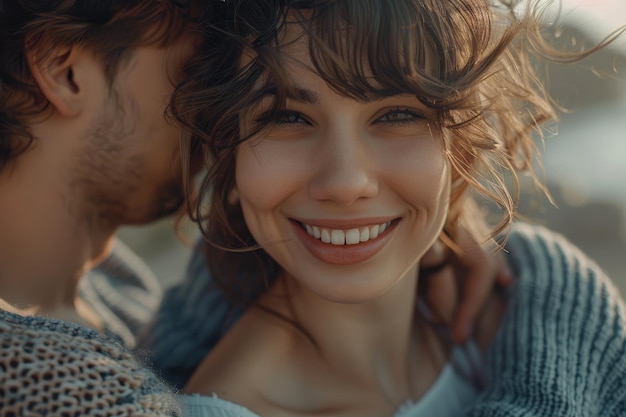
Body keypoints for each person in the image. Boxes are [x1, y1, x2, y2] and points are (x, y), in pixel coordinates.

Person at [145, 0, 626, 416]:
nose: (346, 183)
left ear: (460, 148)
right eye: (287, 117)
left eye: (398, 114)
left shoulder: (509, 325)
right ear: (226, 152)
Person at [0, 0, 202, 414]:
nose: (220, 114)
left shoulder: (115, 282)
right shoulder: (54, 387)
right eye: (195, 75)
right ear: (64, 71)